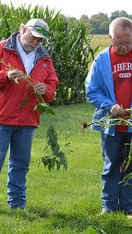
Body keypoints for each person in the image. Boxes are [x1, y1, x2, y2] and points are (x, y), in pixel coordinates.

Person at [0, 19, 59, 213]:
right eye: (33, 37)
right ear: (22, 29)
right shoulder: (1, 48)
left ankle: (17, 204)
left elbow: (53, 86)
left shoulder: (45, 58)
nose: (36, 43)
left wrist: (45, 88)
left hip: (28, 118)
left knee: (21, 164)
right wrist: (6, 75)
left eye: (40, 40)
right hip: (0, 116)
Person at [85, 17, 132, 215]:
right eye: (119, 42)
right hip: (110, 124)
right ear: (110, 37)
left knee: (130, 167)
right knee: (111, 166)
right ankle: (109, 206)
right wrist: (109, 105)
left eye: (128, 42)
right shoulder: (102, 60)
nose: (124, 46)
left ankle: (129, 206)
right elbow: (91, 89)